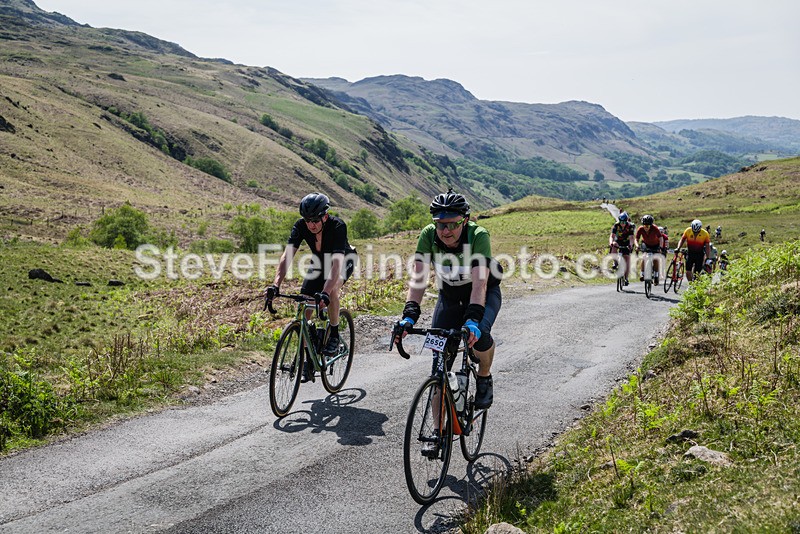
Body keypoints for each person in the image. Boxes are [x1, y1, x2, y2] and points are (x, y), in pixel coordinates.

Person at [395, 188, 502, 411]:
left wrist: (472, 319)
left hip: (482, 295)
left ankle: (484, 376)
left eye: (452, 224)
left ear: (465, 220)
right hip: (450, 297)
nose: (446, 230)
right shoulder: (428, 235)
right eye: (440, 224)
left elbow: (480, 283)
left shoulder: (477, 236)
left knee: (479, 335)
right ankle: (435, 436)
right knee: (439, 371)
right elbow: (418, 279)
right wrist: (409, 315)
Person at [268, 192, 357, 382]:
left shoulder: (337, 226)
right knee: (305, 305)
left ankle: (333, 333)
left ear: (325, 216)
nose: (311, 224)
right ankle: (308, 359)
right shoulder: (301, 227)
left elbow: (336, 265)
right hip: (319, 262)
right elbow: (287, 257)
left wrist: (324, 293)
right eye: (307, 220)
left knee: (331, 291)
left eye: (315, 219)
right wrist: (275, 285)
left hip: (343, 259)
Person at [635, 215, 663, 285]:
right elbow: (636, 239)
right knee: (644, 257)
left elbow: (661, 238)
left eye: (648, 226)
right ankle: (642, 274)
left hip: (655, 245)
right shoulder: (640, 229)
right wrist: (637, 246)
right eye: (645, 226)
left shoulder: (655, 228)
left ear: (651, 225)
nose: (646, 227)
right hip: (646, 244)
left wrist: (660, 247)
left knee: (655, 259)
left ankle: (656, 275)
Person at [609, 211, 635, 285]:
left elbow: (631, 238)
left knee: (627, 259)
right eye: (621, 221)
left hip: (627, 242)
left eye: (624, 222)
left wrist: (630, 245)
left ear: (626, 221)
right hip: (618, 241)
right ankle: (615, 262)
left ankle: (626, 278)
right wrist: (611, 242)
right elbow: (612, 236)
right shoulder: (616, 225)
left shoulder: (630, 226)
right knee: (613, 246)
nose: (622, 223)